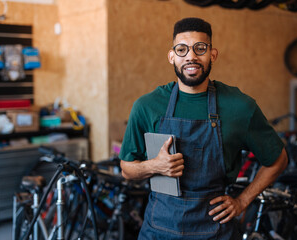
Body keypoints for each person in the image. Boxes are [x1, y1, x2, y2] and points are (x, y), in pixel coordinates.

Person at [119, 17, 288, 240]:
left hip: (216, 230)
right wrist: (155, 166)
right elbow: (127, 169)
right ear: (171, 57)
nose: (191, 56)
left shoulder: (239, 106)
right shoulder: (147, 106)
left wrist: (242, 201)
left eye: (200, 48)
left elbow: (278, 159)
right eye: (182, 49)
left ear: (213, 55)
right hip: (159, 229)